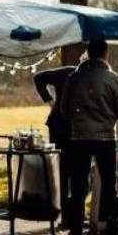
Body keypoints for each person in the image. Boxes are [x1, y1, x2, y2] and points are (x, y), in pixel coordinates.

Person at [59, 38, 118, 235]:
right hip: (106, 139)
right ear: (105, 53)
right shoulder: (112, 78)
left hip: (79, 138)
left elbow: (64, 110)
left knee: (78, 188)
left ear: (88, 53)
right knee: (110, 188)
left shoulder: (74, 78)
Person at [33, 65, 76, 220]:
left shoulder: (73, 72)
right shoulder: (69, 71)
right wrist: (50, 101)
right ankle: (66, 214)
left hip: (69, 126)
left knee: (69, 170)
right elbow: (38, 77)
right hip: (61, 126)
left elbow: (39, 78)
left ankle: (70, 213)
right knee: (64, 170)